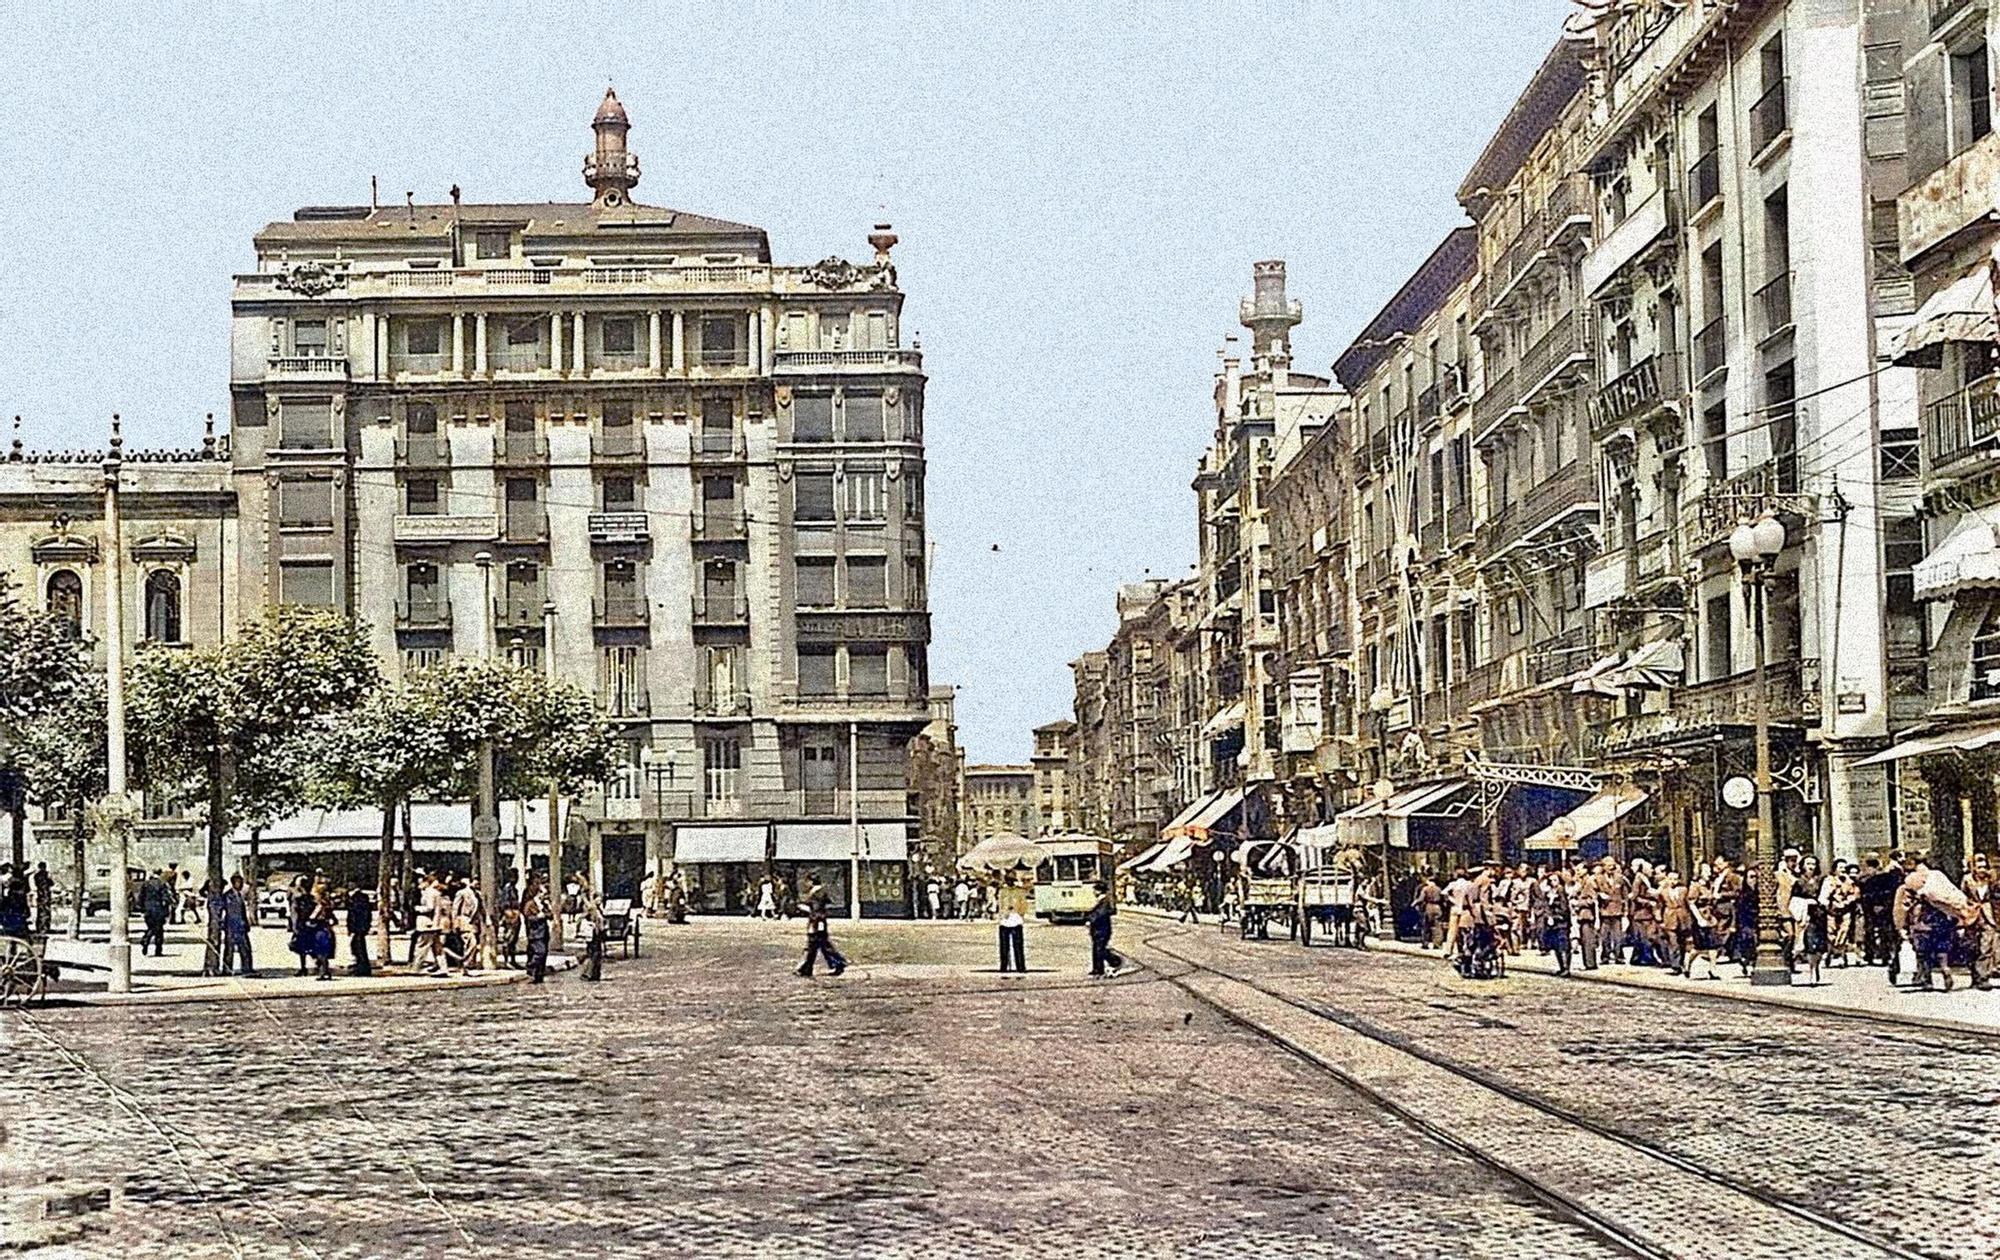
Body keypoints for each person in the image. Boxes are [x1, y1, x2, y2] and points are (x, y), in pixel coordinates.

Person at [795, 878, 845, 977]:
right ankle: (837, 963)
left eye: (807, 881)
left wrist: (806, 909)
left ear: (811, 882)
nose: (806, 884)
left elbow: (816, 909)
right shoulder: (818, 892)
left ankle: (807, 968)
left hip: (816, 923)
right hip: (818, 923)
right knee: (823, 946)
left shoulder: (818, 893)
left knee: (814, 946)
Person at [219, 874, 254, 977]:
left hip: (241, 926)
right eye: (238, 882)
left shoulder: (239, 895)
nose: (241, 884)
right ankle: (227, 969)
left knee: (245, 949)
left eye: (241, 882)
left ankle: (247, 969)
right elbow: (231, 911)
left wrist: (246, 923)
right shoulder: (228, 895)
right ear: (233, 883)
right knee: (229, 949)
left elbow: (242, 912)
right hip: (231, 926)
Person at [1086, 881, 1124, 978]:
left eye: (1095, 890)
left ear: (1099, 891)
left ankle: (1115, 961)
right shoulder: (1101, 900)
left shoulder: (1104, 901)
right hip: (1097, 929)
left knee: (1100, 949)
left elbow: (1101, 914)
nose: (1093, 892)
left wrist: (1091, 920)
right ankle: (1097, 969)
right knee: (1096, 949)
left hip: (1102, 929)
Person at [1541, 866, 1573, 976]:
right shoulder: (1548, 892)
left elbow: (1564, 908)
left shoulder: (1560, 890)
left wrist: (1555, 916)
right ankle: (1561, 967)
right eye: (1551, 880)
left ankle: (1566, 968)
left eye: (1555, 880)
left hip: (1561, 922)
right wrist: (1548, 916)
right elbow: (1545, 906)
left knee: (1563, 945)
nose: (1553, 882)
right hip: (1552, 923)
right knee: (1555, 946)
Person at [414, 873, 448, 977]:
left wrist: (417, 908)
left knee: (422, 946)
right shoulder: (436, 892)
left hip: (427, 923)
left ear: (426, 882)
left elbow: (429, 907)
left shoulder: (429, 893)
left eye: (421, 883)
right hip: (435, 923)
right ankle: (443, 968)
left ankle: (416, 968)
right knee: (437, 948)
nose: (419, 885)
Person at [522, 875, 552, 983]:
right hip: (535, 932)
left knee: (543, 955)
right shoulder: (530, 904)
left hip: (544, 932)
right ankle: (530, 969)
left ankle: (538, 976)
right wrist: (538, 917)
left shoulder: (543, 904)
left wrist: (547, 907)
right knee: (540, 952)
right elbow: (527, 917)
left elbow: (551, 915)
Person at [450, 877, 482, 975]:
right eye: (475, 881)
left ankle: (464, 965)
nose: (477, 883)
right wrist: (455, 921)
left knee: (470, 945)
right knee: (472, 943)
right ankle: (464, 962)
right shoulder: (462, 893)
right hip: (464, 920)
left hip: (474, 922)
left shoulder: (477, 894)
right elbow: (455, 908)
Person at [139, 868, 173, 957]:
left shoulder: (146, 884)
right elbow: (166, 897)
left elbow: (141, 897)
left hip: (148, 909)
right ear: (160, 873)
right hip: (158, 909)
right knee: (159, 930)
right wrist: (167, 909)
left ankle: (146, 939)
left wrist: (142, 908)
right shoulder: (162, 884)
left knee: (151, 927)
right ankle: (157, 949)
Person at [307, 880, 337, 981]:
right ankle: (325, 971)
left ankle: (323, 971)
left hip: (320, 931)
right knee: (324, 952)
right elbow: (334, 920)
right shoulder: (328, 904)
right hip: (327, 930)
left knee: (320, 952)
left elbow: (313, 917)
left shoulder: (320, 905)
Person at [581, 886, 608, 981]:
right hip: (593, 934)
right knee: (594, 954)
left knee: (597, 954)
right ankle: (588, 973)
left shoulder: (598, 909)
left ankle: (595, 973)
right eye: (598, 898)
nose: (599, 900)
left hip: (598, 933)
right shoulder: (592, 908)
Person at [346, 883, 373, 977]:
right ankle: (361, 966)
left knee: (359, 948)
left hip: (358, 927)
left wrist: (352, 927)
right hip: (361, 927)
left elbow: (354, 914)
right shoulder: (362, 897)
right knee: (358, 946)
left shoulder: (356, 898)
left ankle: (362, 968)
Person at [497, 869, 522, 968]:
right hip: (510, 917)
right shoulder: (507, 889)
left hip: (515, 916)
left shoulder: (514, 889)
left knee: (513, 940)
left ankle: (512, 960)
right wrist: (510, 916)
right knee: (508, 940)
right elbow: (504, 905)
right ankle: (507, 961)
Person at [30, 862, 53, 938]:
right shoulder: (45, 875)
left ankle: (40, 927)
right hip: (44, 894)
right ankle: (44, 927)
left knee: (41, 912)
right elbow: (51, 883)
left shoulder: (36, 875)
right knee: (45, 911)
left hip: (41, 894)